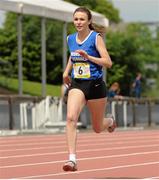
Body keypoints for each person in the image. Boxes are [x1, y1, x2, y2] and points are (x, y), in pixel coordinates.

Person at [62, 7, 116, 172]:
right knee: (71, 118)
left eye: (82, 19)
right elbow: (73, 55)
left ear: (89, 21)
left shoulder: (96, 38)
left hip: (96, 85)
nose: (78, 22)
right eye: (76, 19)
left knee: (97, 128)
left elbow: (108, 62)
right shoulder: (70, 38)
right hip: (78, 84)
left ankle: (110, 121)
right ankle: (72, 160)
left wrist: (89, 57)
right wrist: (66, 72)